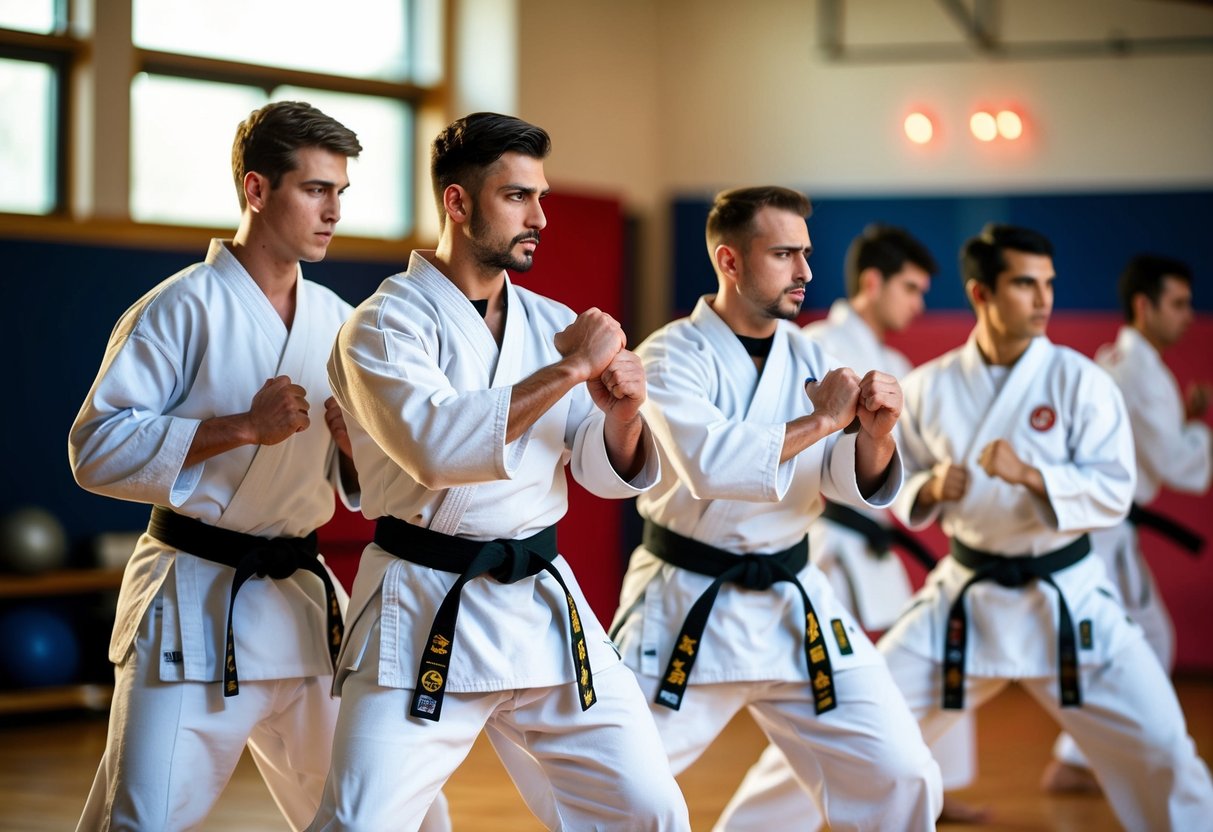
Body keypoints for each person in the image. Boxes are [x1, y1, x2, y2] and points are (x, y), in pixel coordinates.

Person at [306, 112, 690, 832]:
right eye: (517, 196)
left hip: (541, 607)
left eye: (539, 196)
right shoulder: (382, 326)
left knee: (648, 807)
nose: (539, 217)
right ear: (457, 202)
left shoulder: (549, 319)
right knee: (359, 822)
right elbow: (439, 448)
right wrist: (573, 367)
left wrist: (624, 413)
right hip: (423, 606)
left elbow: (605, 472)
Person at [67, 101, 411, 832]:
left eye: (340, 192)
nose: (333, 211)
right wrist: (241, 428)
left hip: (303, 607)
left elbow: (369, 483)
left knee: (384, 809)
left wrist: (353, 453)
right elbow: (94, 448)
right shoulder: (177, 308)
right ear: (256, 191)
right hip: (194, 601)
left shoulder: (339, 322)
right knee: (142, 820)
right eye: (315, 189)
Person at [609, 187, 942, 831]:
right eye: (784, 254)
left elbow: (846, 482)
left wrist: (875, 436)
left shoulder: (813, 356)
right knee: (622, 785)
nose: (805, 273)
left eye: (807, 254)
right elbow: (713, 466)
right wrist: (822, 420)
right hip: (686, 602)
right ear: (729, 262)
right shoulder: (670, 354)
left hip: (794, 599)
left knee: (902, 773)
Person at [878, 223, 1213, 830]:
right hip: (966, 593)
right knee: (858, 717)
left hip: (1069, 596)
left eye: (1049, 284)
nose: (1043, 300)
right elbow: (899, 477)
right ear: (981, 294)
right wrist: (927, 488)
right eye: (1025, 284)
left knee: (1166, 749)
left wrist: (1034, 475)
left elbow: (1113, 490)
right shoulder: (928, 385)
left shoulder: (1083, 382)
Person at [712, 224, 984, 829]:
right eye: (910, 289)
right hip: (816, 533)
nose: (917, 304)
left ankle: (915, 782)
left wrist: (933, 482)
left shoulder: (894, 362)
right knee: (830, 691)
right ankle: (836, 793)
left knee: (879, 679)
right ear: (872, 282)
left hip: (870, 533)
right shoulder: (814, 345)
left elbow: (902, 459)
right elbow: (787, 448)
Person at [1042, 253, 1212, 794]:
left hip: (1104, 527)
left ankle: (1088, 758)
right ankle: (1094, 761)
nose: (1188, 315)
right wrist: (1198, 430)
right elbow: (1173, 464)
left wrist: (1183, 425)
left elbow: (1148, 447)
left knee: (1137, 638)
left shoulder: (1117, 358)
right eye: (1178, 304)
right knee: (1133, 640)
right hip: (1105, 530)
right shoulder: (1140, 370)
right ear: (1144, 305)